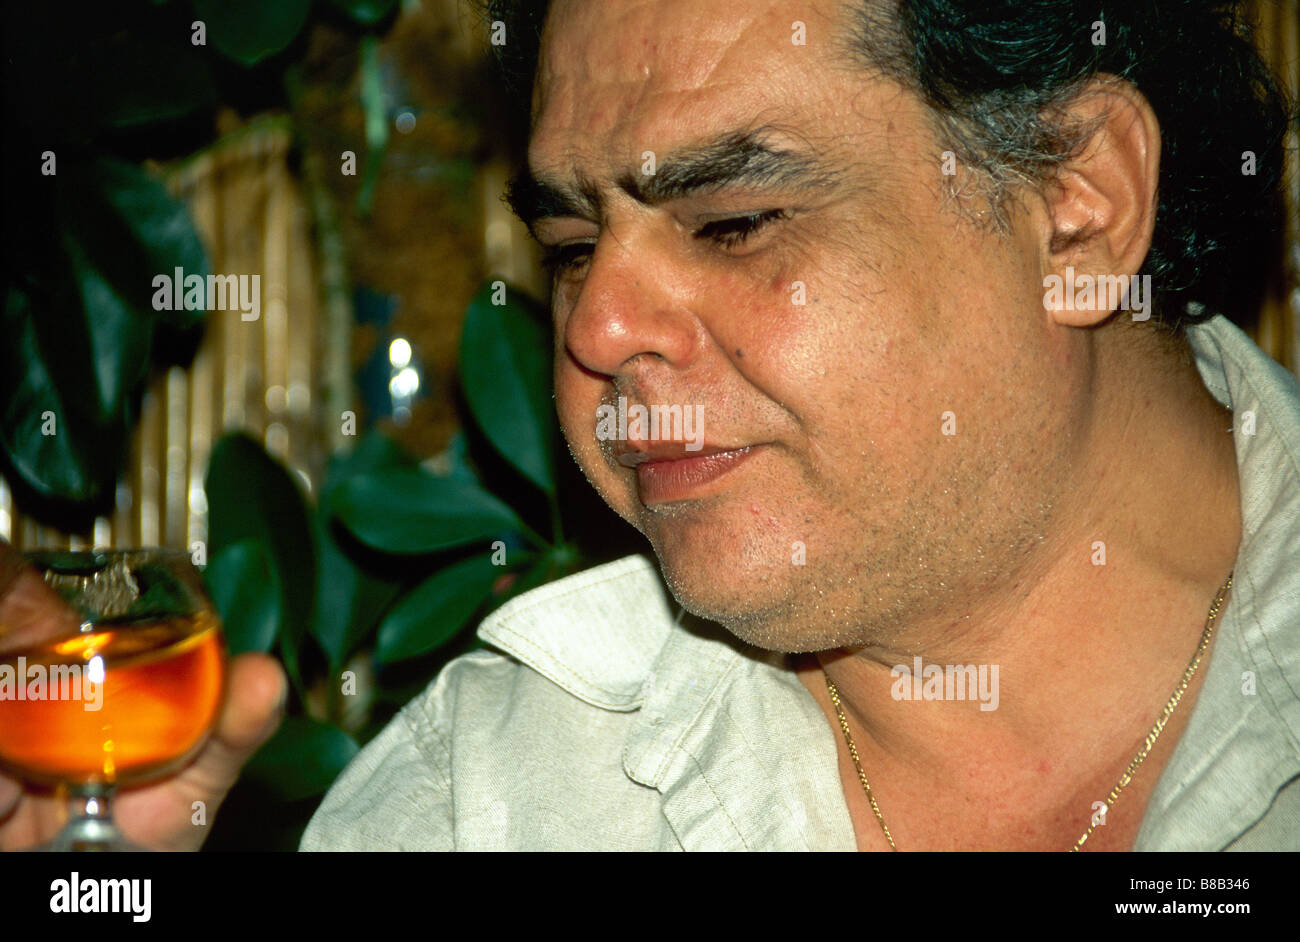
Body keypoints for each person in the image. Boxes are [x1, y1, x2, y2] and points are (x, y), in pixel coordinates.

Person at [3, 0, 1295, 852]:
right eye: (573, 245)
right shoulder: (483, 802)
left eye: (734, 223)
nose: (598, 328)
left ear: (1077, 209)